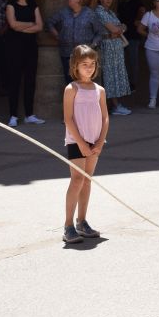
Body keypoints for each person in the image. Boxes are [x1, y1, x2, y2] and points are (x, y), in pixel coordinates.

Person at [61, 44, 108, 243]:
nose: (89, 68)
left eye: (92, 64)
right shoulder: (72, 89)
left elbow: (105, 117)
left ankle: (82, 221)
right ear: (75, 66)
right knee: (77, 180)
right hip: (76, 141)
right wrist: (80, 143)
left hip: (95, 141)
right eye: (84, 64)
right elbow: (68, 118)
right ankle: (68, 225)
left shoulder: (100, 90)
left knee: (87, 180)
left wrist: (100, 141)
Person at [3, 0, 45, 127]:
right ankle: (13, 115)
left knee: (30, 80)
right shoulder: (11, 5)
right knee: (14, 80)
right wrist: (29, 24)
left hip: (30, 47)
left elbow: (40, 26)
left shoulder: (33, 5)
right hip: (14, 48)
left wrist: (23, 28)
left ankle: (29, 114)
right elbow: (13, 25)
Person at [46, 0, 103, 84]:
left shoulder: (90, 14)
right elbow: (49, 22)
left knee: (85, 84)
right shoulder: (63, 12)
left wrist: (92, 46)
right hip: (67, 54)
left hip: (85, 57)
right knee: (71, 85)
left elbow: (100, 32)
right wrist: (58, 36)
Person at [94, 0, 133, 116]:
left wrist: (120, 28)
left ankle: (115, 104)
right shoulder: (100, 12)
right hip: (108, 46)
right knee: (110, 75)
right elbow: (115, 29)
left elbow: (123, 26)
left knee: (115, 74)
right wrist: (119, 28)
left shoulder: (110, 12)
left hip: (116, 47)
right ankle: (115, 105)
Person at [117, 0, 146, 94]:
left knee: (133, 60)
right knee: (122, 61)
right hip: (122, 36)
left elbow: (142, 11)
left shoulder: (137, 2)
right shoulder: (122, 4)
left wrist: (138, 20)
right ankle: (124, 83)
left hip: (133, 36)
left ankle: (133, 83)